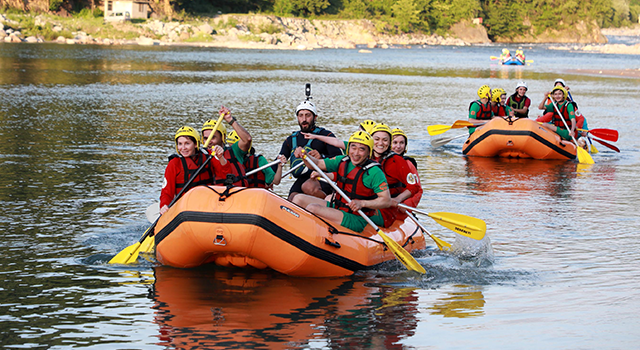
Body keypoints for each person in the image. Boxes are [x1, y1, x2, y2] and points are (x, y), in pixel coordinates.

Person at [291, 131, 391, 233]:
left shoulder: (374, 172)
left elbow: (386, 201)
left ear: (368, 152)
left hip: (358, 217)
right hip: (338, 207)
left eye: (362, 149)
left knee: (312, 208)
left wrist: (362, 203)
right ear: (348, 148)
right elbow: (316, 163)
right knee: (298, 198)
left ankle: (302, 235)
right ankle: (289, 231)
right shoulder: (342, 161)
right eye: (353, 147)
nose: (356, 153)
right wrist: (305, 155)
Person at [279, 100, 343, 201]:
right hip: (303, 177)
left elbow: (340, 161)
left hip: (323, 177)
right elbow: (276, 164)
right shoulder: (290, 139)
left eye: (308, 115)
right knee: (292, 198)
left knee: (308, 187)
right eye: (301, 115)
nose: (304, 119)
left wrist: (322, 157)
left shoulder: (326, 135)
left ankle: (329, 204)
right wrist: (280, 161)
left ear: (315, 117)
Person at [159, 126, 229, 215]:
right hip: (185, 207)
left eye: (187, 143)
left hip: (207, 205)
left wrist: (221, 157)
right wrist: (164, 205)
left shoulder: (208, 156)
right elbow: (167, 192)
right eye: (180, 144)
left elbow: (225, 173)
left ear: (196, 144)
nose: (183, 148)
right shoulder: (174, 163)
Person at [370, 123, 422, 225]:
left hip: (397, 207)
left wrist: (405, 204)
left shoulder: (407, 164)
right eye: (395, 142)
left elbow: (417, 189)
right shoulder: (370, 159)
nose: (398, 146)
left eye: (402, 143)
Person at [202, 106, 251, 187]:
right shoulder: (202, 155)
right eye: (205, 138)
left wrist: (230, 120)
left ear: (222, 137)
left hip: (236, 194)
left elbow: (247, 139)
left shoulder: (235, 151)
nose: (209, 142)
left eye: (212, 137)